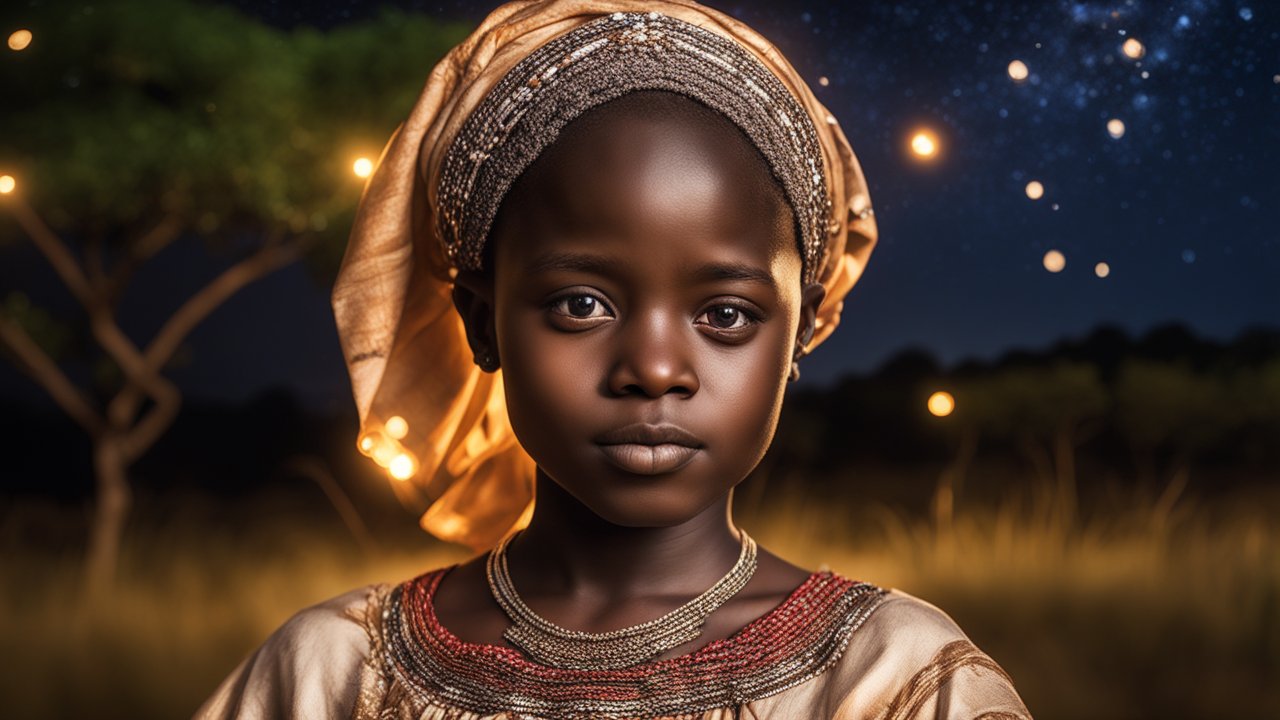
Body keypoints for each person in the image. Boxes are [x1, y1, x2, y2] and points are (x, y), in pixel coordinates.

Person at [196, 1, 1032, 718]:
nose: (654, 369)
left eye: (726, 315)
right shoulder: (332, 674)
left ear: (801, 330)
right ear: (482, 322)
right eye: (581, 305)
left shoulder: (895, 680)